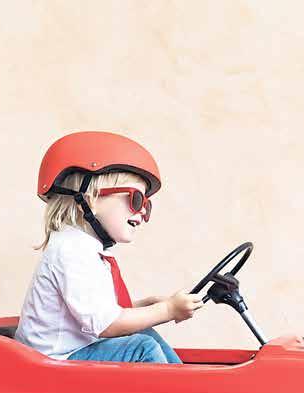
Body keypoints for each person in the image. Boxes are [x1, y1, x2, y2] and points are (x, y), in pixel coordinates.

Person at [14, 131, 203, 363]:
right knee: (141, 348)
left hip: (74, 351)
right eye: (136, 200)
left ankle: (183, 380)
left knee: (143, 331)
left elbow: (96, 310)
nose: (142, 211)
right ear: (91, 199)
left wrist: (145, 307)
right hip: (53, 361)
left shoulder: (85, 249)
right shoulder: (71, 251)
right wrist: (167, 310)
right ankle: (178, 386)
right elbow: (105, 324)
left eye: (147, 205)